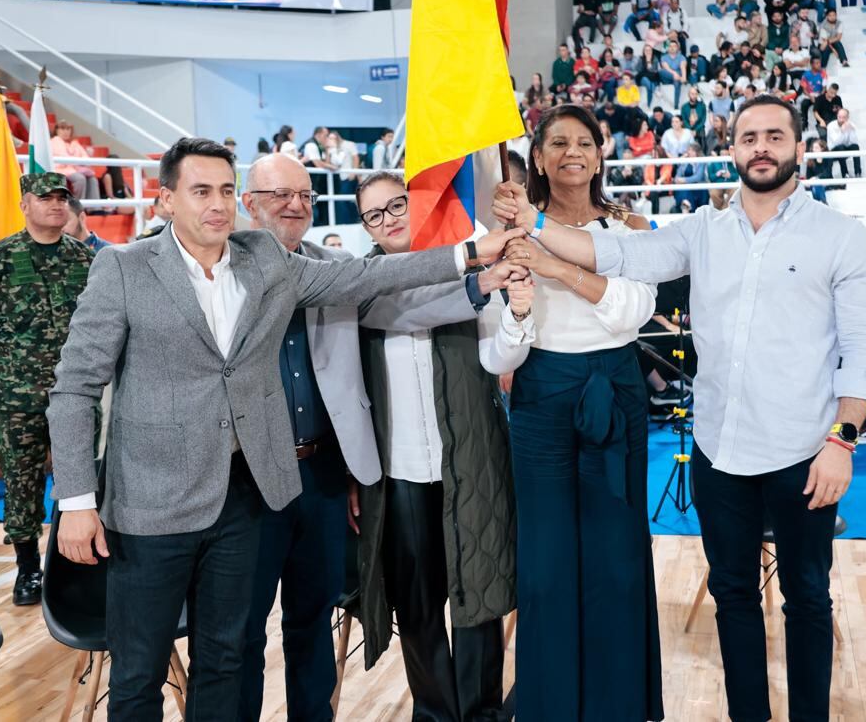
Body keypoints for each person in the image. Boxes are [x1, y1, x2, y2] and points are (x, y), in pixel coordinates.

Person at [46, 138, 520, 718]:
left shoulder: (269, 261)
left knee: (227, 655)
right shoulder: (122, 267)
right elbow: (74, 388)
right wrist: (75, 499)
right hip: (154, 504)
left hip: (266, 490)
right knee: (141, 674)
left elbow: (373, 276)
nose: (216, 204)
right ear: (166, 199)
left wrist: (471, 254)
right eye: (202, 191)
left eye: (223, 189)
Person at [494, 93, 866, 722]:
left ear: (797, 149)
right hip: (719, 450)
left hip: (804, 450)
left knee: (808, 597)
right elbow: (619, 253)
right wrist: (534, 224)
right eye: (748, 137)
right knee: (732, 595)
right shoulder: (701, 232)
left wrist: (843, 439)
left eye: (774, 136)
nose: (761, 147)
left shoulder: (840, 236)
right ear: (732, 150)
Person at [480, 104, 662, 721]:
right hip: (540, 401)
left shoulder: (629, 224)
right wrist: (521, 312)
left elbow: (633, 311)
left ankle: (618, 703)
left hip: (616, 392)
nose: (571, 152)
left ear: (601, 154)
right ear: (537, 157)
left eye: (584, 141)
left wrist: (557, 265)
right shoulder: (505, 234)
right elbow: (497, 354)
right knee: (547, 559)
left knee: (617, 556)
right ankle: (551, 703)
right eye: (557, 142)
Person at [351, 170, 520, 722]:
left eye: (397, 203)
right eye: (374, 214)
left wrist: (515, 311)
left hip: (467, 461)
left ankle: (482, 713)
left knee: (475, 597)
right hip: (400, 471)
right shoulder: (360, 287)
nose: (389, 218)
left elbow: (500, 359)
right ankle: (434, 713)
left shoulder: (468, 264)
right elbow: (400, 310)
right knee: (416, 605)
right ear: (366, 228)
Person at [0, 172, 95, 606]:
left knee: (86, 474)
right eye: (45, 198)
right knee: (21, 480)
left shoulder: (86, 259)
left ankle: (84, 561)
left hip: (77, 391)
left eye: (62, 198)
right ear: (25, 204)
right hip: (18, 395)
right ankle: (27, 569)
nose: (56, 205)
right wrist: (18, 362)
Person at [49, 121, 102, 199]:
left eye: (68, 129)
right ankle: (77, 206)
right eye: (62, 129)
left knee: (92, 179)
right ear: (56, 130)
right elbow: (64, 157)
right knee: (80, 178)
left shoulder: (75, 143)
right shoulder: (55, 141)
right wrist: (79, 163)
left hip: (74, 169)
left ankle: (94, 209)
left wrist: (81, 162)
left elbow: (85, 157)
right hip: (61, 169)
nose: (66, 132)